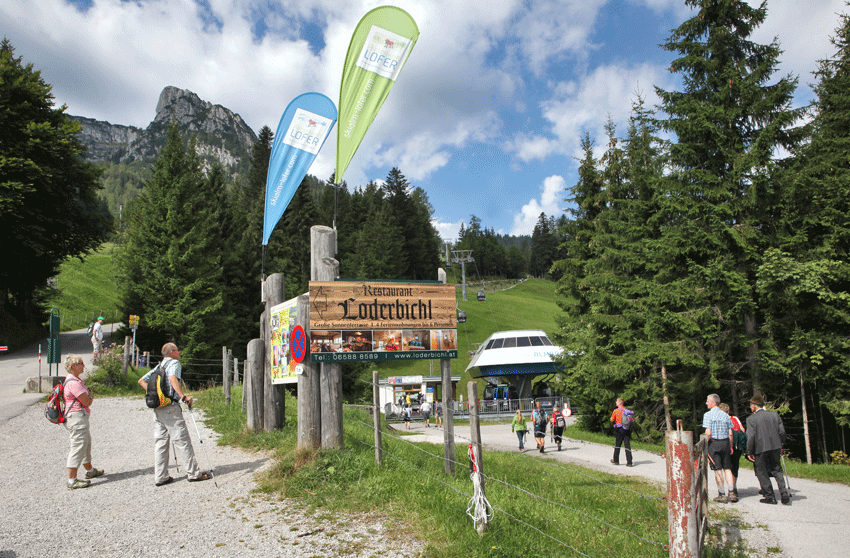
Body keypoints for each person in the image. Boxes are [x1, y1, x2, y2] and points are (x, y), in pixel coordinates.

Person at [137, 342, 212, 486]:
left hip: (158, 409)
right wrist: (183, 397)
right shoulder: (174, 364)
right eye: (177, 350)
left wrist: (156, 394)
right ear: (171, 352)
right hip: (170, 408)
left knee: (160, 443)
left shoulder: (159, 366)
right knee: (182, 441)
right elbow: (172, 379)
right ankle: (193, 473)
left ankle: (161, 476)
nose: (179, 352)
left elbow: (141, 381)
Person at [63, 354, 104, 489]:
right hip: (77, 418)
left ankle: (90, 471)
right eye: (81, 363)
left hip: (78, 417)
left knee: (86, 443)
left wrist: (89, 396)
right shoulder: (73, 383)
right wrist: (90, 396)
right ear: (73, 366)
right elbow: (86, 401)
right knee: (78, 446)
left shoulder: (75, 380)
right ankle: (72, 480)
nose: (83, 365)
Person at [746, 395, 789, 505]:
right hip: (775, 446)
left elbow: (751, 436)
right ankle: (784, 492)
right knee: (777, 469)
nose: (750, 407)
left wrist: (749, 451)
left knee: (761, 471)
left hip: (760, 447)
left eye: (751, 405)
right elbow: (782, 432)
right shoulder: (774, 415)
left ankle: (770, 496)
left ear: (754, 406)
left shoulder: (751, 419)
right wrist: (780, 442)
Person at [702, 394, 736, 502]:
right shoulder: (725, 415)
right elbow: (730, 433)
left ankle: (722, 494)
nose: (706, 403)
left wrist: (703, 444)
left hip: (714, 444)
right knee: (727, 468)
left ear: (713, 403)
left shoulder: (708, 415)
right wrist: (730, 446)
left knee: (718, 469)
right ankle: (732, 492)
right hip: (725, 443)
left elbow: (708, 433)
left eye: (708, 401)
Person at [719, 402, 746, 498]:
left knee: (727, 467)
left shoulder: (720, 420)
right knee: (735, 466)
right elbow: (742, 430)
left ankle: (729, 489)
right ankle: (734, 488)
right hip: (737, 446)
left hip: (726, 445)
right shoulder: (734, 418)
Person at [610, 397, 633, 466]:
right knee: (627, 445)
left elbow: (612, 419)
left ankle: (616, 460)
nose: (616, 402)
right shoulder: (626, 411)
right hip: (626, 429)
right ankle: (629, 462)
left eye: (617, 401)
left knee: (618, 444)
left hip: (619, 429)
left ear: (620, 403)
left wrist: (613, 419)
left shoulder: (616, 411)